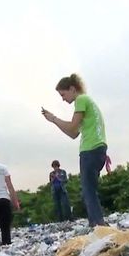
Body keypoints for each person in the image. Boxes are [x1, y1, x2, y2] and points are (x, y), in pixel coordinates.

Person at [41, 73, 108, 227]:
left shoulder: (81, 99)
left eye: (63, 94)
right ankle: (98, 223)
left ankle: (97, 225)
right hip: (99, 147)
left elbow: (71, 128)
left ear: (72, 89)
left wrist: (54, 119)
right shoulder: (88, 101)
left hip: (90, 149)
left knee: (88, 190)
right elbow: (74, 133)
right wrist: (54, 120)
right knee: (90, 189)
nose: (63, 99)